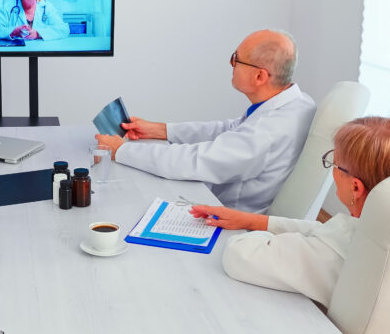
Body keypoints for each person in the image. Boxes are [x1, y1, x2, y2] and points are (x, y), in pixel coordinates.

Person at [191, 116, 390, 308]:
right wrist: (253, 220)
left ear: (355, 187)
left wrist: (259, 233)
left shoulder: (332, 252)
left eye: (335, 164)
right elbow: (326, 230)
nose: (333, 171)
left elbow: (239, 256)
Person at [94, 29, 316, 213]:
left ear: (260, 76)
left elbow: (193, 161)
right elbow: (228, 129)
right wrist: (160, 130)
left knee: (125, 203)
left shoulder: (266, 132)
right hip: (219, 200)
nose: (231, 65)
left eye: (236, 59)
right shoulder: (297, 102)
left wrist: (120, 150)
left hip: (231, 223)